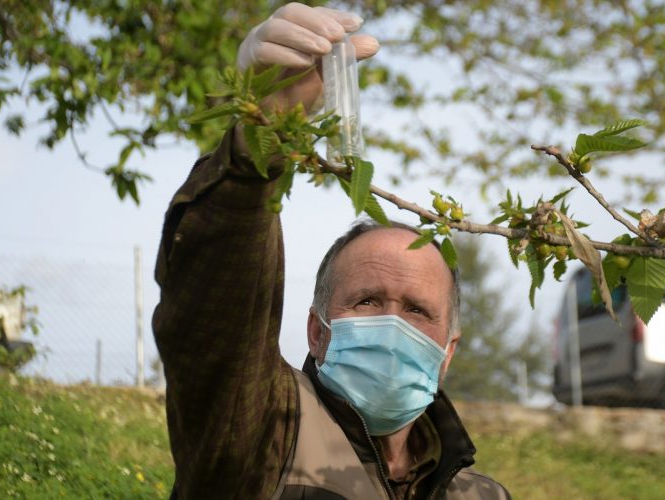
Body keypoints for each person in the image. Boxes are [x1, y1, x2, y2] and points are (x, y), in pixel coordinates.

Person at [152, 3, 510, 499]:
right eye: (366, 301)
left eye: (418, 310)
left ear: (447, 351)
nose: (392, 326)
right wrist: (263, 138)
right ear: (318, 332)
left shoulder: (482, 496)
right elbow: (216, 309)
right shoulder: (263, 433)